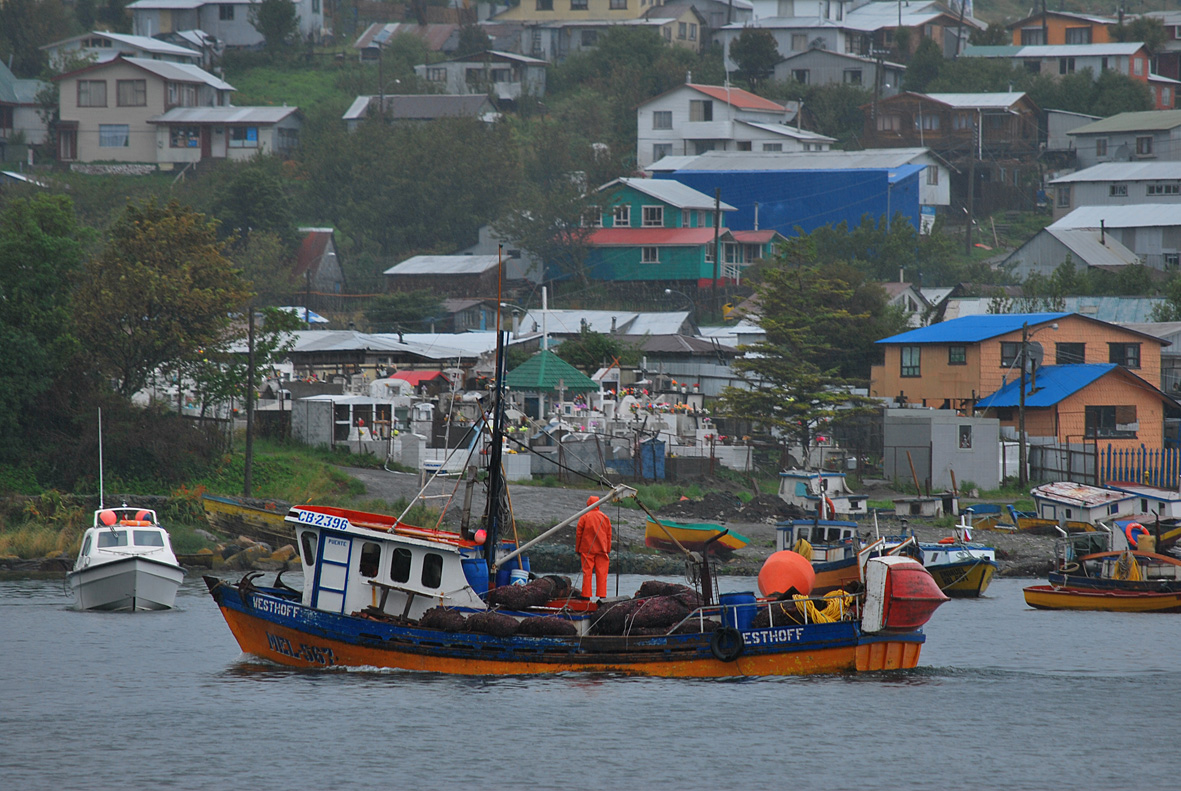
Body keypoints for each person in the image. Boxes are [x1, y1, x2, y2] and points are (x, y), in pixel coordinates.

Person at [576, 495, 612, 599]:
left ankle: (586, 595)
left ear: (588, 504)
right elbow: (609, 535)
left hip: (587, 549)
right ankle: (602, 595)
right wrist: (608, 549)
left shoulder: (584, 517)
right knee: (602, 573)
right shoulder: (605, 517)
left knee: (587, 572)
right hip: (602, 549)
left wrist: (578, 549)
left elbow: (579, 534)